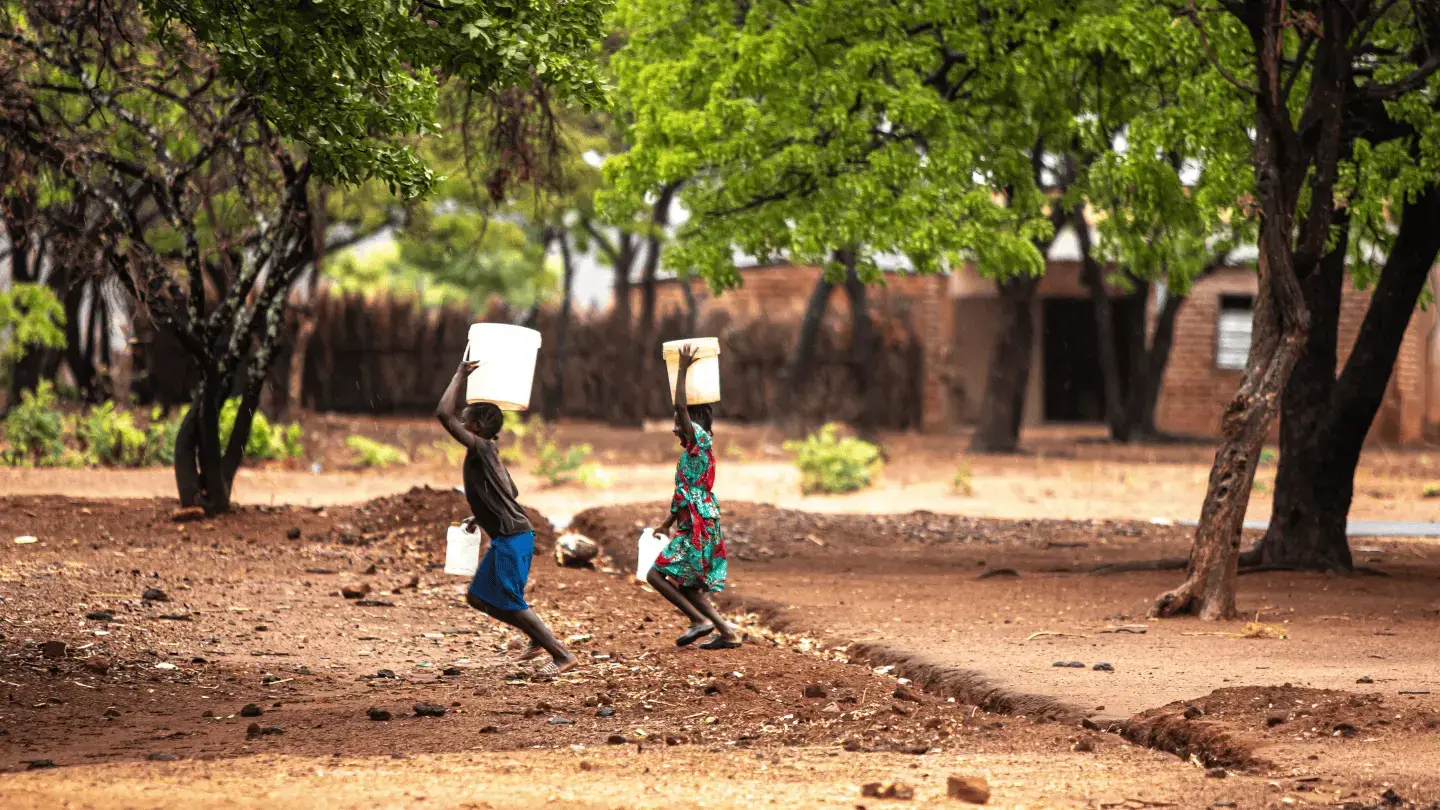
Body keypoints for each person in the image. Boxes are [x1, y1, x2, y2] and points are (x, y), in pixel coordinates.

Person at [435, 359, 577, 677]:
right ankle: (537, 639)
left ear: (477, 427)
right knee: (477, 597)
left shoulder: (482, 449)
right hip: (510, 536)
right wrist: (480, 514)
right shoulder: (489, 452)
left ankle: (562, 654)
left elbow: (442, 414)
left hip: (512, 538)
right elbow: (509, 490)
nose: (459, 421)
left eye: (465, 420)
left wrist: (459, 373)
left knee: (510, 599)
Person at [647, 344, 742, 650]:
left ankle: (699, 622)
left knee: (655, 575)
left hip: (699, 525)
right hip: (696, 522)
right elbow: (684, 495)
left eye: (679, 423)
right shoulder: (693, 451)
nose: (676, 429)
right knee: (688, 586)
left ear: (693, 421)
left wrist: (683, 370)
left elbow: (680, 407)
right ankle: (728, 633)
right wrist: (666, 524)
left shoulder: (699, 439)